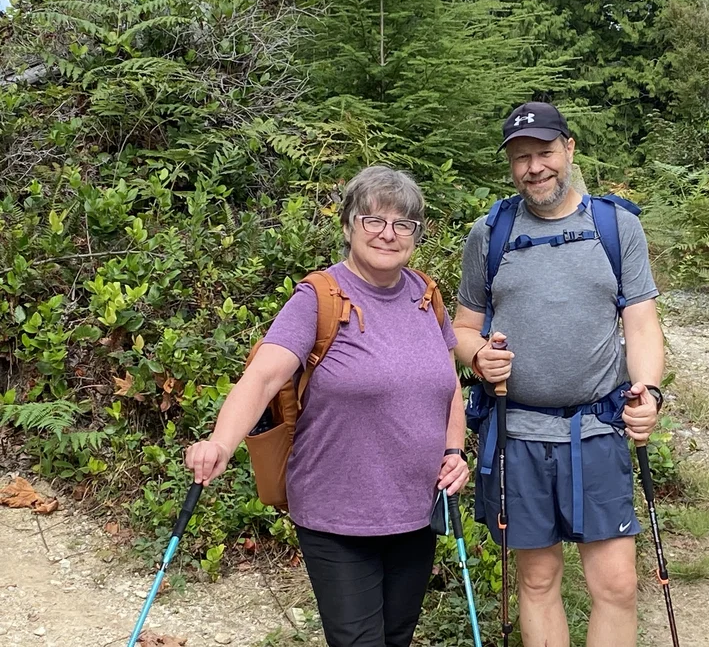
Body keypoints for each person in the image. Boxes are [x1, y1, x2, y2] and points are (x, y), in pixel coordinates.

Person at [185, 166, 470, 647]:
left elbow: (449, 388)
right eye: (372, 220)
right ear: (347, 226)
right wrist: (219, 443)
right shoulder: (318, 297)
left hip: (416, 508)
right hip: (337, 513)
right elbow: (261, 378)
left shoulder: (427, 296)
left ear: (417, 235)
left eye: (404, 224)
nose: (388, 233)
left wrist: (455, 452)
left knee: (396, 637)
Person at [453, 102, 665, 647]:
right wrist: (478, 357)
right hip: (518, 433)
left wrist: (650, 394)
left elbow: (640, 324)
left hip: (598, 428)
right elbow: (461, 328)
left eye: (544, 152)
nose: (534, 168)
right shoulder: (490, 232)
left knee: (616, 584)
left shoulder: (616, 226)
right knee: (538, 578)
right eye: (521, 157)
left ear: (569, 149)